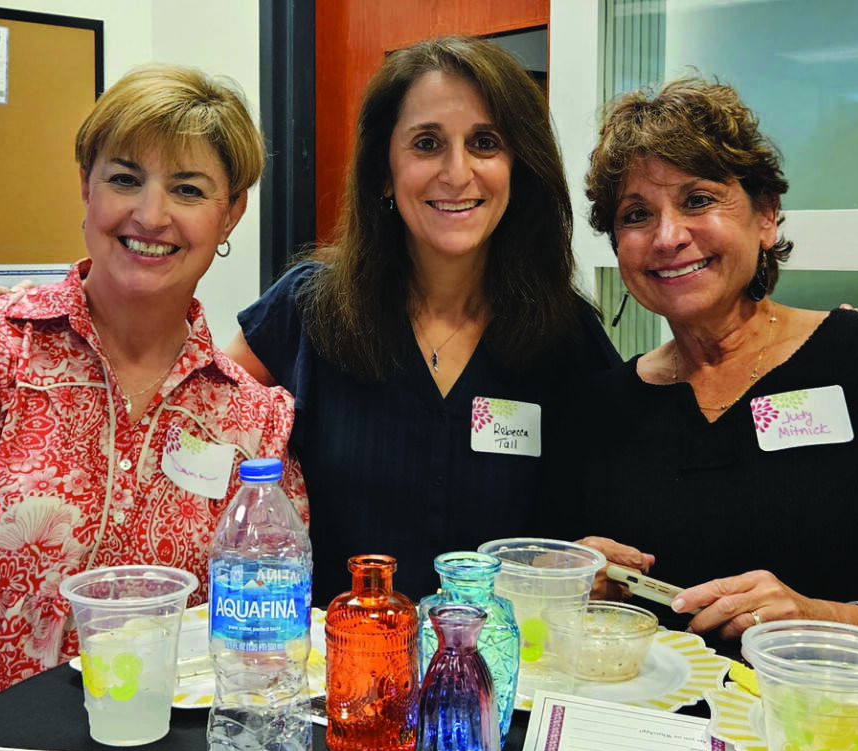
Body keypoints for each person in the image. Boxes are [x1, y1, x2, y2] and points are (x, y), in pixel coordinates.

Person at [0, 64, 306, 751]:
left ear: (230, 214)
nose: (150, 213)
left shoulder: (253, 425)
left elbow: (257, 653)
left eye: (189, 189)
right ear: (86, 186)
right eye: (123, 177)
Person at [563, 77, 858, 652]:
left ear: (765, 216)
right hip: (650, 729)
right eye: (635, 214)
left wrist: (821, 618)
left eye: (698, 199)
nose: (668, 236)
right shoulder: (598, 407)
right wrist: (576, 584)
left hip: (831, 731)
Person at [225, 36, 621, 603]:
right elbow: (204, 419)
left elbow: (613, 507)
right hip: (334, 675)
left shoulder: (566, 334)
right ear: (385, 171)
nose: (457, 173)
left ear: (519, 167)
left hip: (500, 679)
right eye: (427, 143)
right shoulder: (307, 309)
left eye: (485, 143)